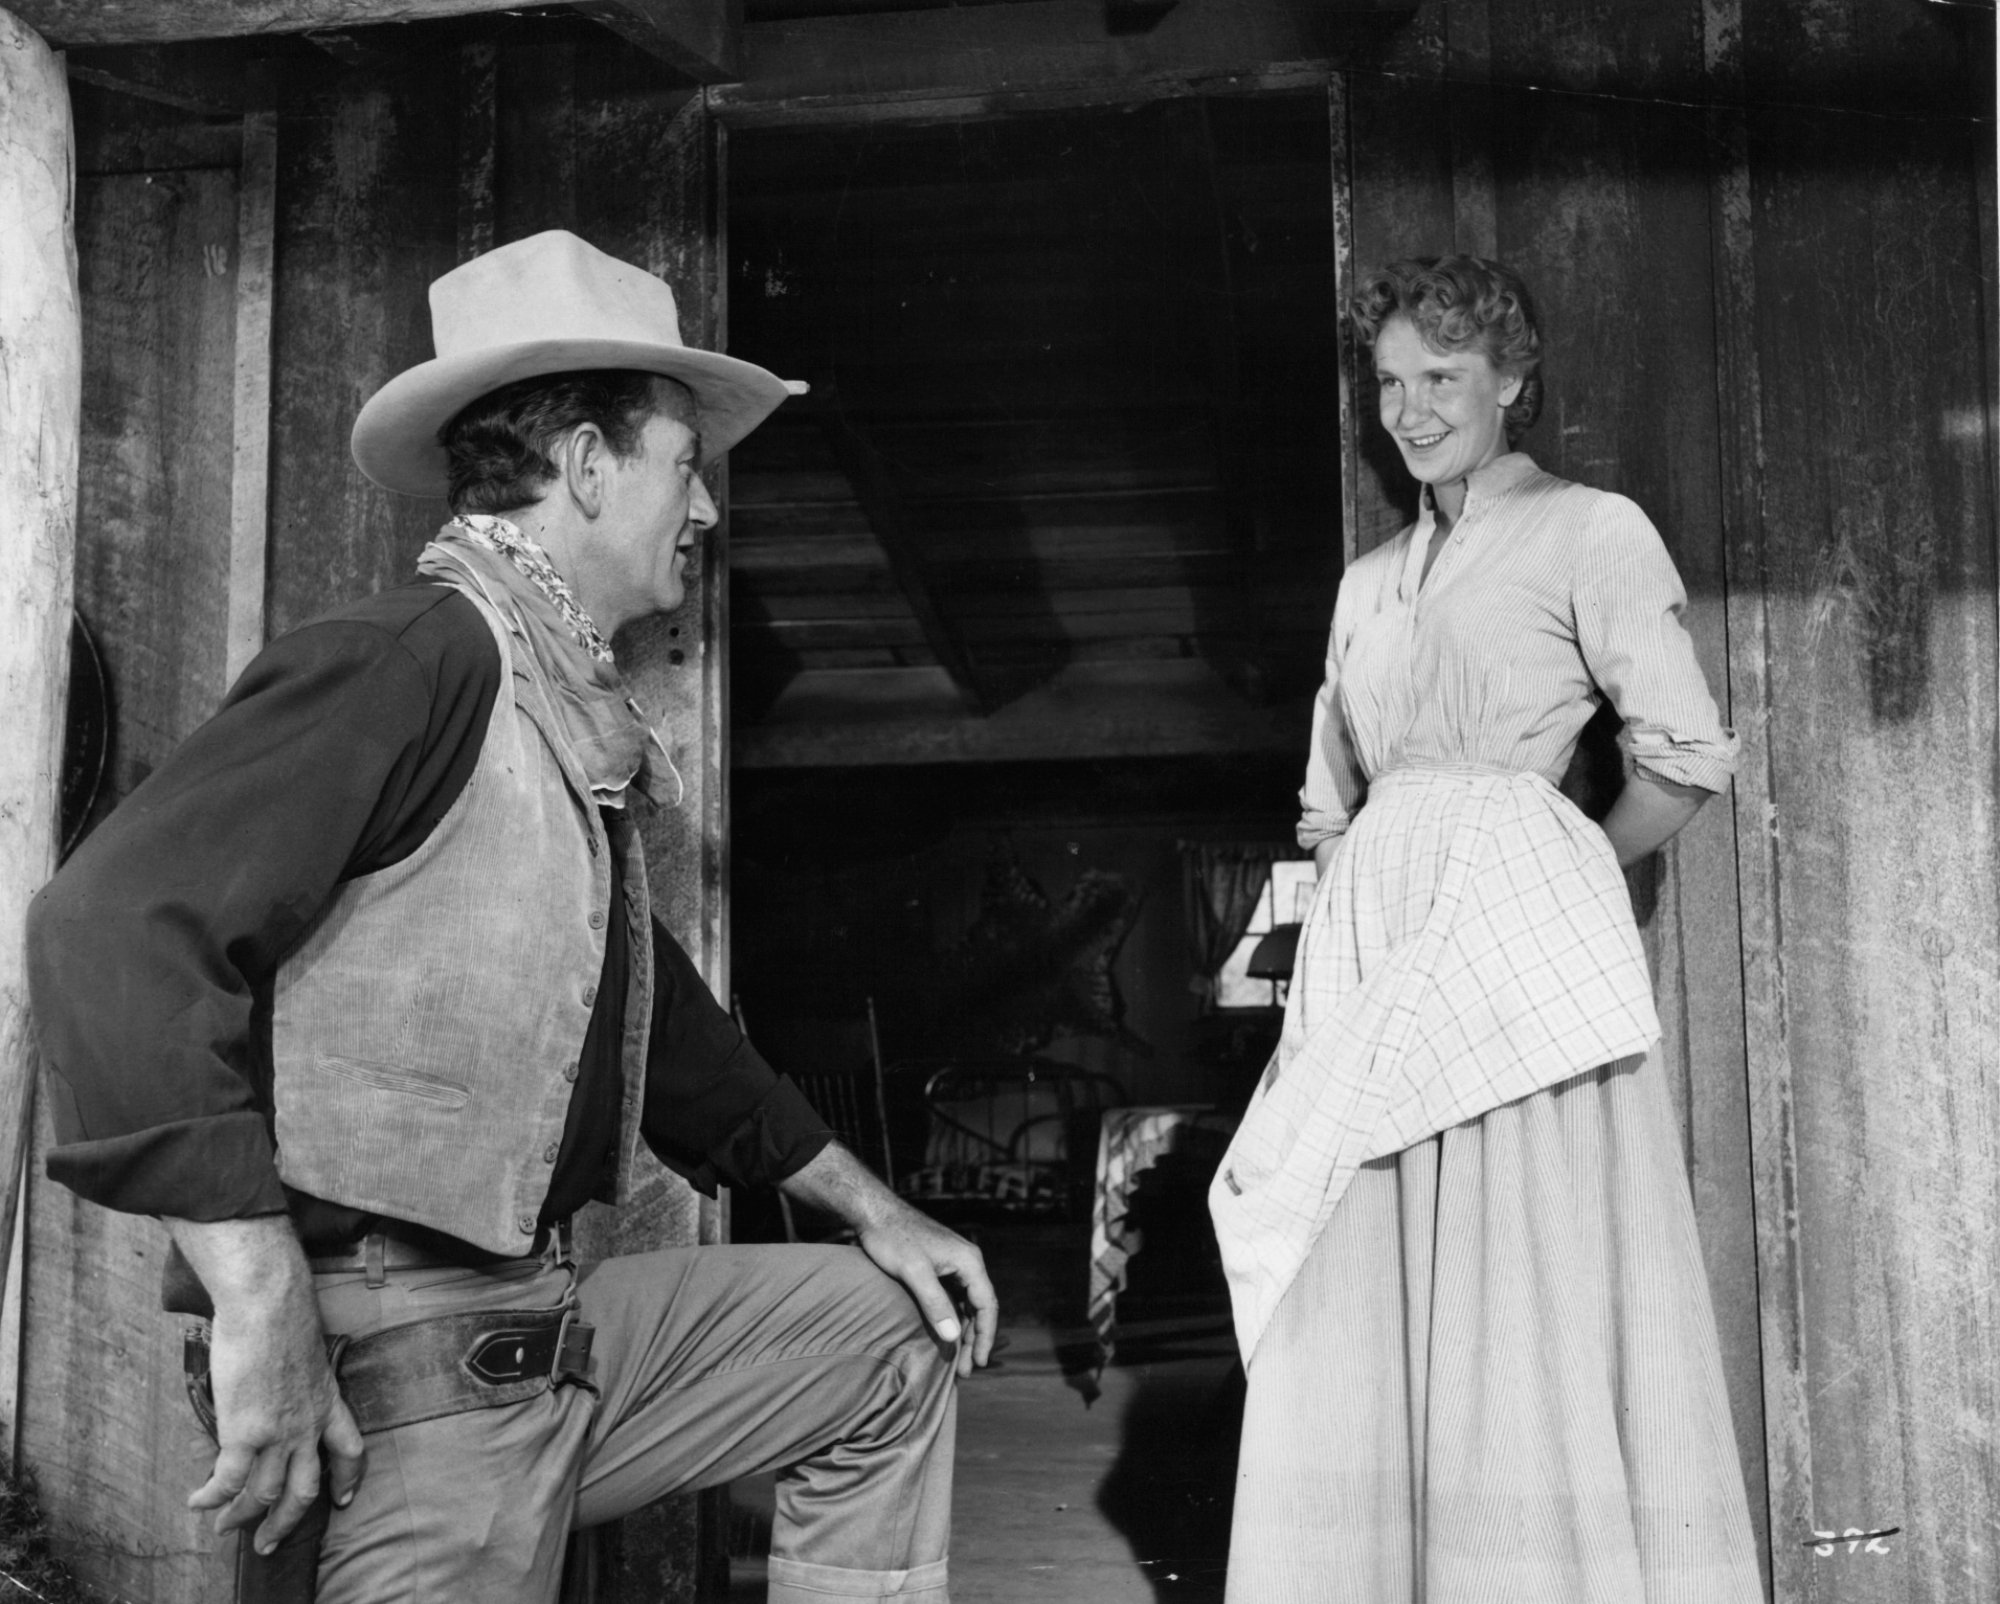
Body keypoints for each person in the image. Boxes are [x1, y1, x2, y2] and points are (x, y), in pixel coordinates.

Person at [27, 229, 995, 1604]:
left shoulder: (552, 711)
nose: (705, 509)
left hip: (541, 1327)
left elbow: (650, 1021)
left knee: (887, 1333)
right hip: (404, 1361)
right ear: (591, 468)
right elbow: (110, 926)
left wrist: (868, 1204)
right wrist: (257, 1297)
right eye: (683, 464)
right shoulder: (413, 663)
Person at [1208, 256, 1763, 1602]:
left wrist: (1562, 866)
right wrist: (1348, 931)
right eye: (1390, 382)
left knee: (1515, 1281)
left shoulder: (1591, 529)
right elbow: (1327, 807)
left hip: (1508, 952)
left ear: (1513, 384)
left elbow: (1684, 755)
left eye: (1440, 378)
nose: (1409, 408)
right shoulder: (1367, 583)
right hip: (1372, 945)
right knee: (1355, 1264)